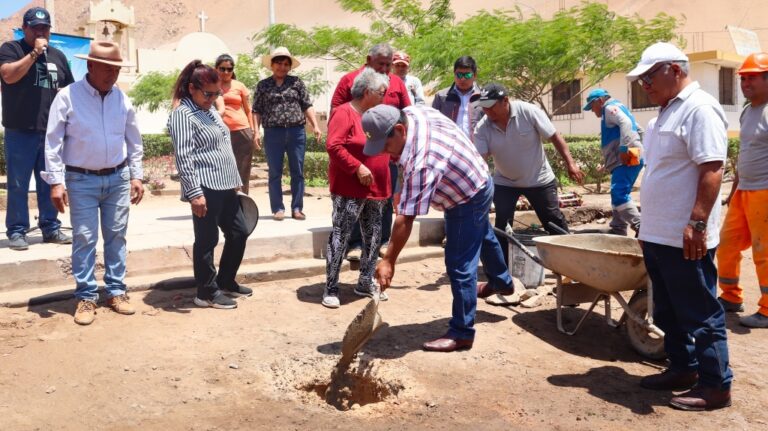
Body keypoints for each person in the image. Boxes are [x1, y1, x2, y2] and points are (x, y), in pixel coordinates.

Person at [627, 42, 733, 411]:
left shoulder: (700, 109)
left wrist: (697, 223)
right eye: (641, 79)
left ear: (674, 69)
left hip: (685, 235)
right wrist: (646, 229)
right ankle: (683, 368)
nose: (645, 85)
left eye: (649, 77)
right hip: (659, 233)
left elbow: (712, 169)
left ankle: (716, 385)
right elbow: (659, 174)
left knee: (700, 312)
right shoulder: (661, 117)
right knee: (669, 309)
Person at [362, 104, 515, 352]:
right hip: (476, 176)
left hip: (466, 195)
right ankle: (502, 281)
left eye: (386, 146)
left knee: (459, 264)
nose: (385, 155)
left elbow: (405, 218)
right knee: (481, 233)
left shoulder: (423, 161)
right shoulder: (413, 112)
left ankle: (462, 332)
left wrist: (389, 259)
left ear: (399, 130)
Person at [41, 41, 142, 325]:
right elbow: (53, 143)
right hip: (81, 179)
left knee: (116, 236)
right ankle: (86, 297)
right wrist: (56, 182)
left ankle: (116, 291)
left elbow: (134, 141)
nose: (112, 74)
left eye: (116, 69)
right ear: (90, 66)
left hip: (118, 178)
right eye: (107, 68)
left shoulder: (122, 99)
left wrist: (137, 175)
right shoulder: (67, 97)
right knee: (84, 238)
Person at [168, 60, 252, 310]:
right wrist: (194, 193)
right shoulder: (183, 115)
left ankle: (226, 281)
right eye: (208, 93)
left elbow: (224, 147)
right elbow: (184, 156)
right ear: (192, 88)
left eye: (217, 94)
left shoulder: (211, 112)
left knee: (239, 232)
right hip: (205, 187)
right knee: (207, 240)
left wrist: (236, 180)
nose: (212, 98)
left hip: (226, 185)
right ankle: (205, 292)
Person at [473, 83, 584, 265]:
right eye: (484, 107)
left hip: (539, 179)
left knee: (552, 221)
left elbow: (555, 137)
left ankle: (571, 263)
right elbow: (481, 161)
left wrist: (570, 164)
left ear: (505, 101)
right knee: (502, 224)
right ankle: (503, 269)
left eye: (491, 106)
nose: (487, 112)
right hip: (505, 182)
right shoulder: (482, 128)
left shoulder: (528, 111)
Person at [0, 6, 73, 251]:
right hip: (19, 129)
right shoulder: (11, 49)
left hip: (51, 132)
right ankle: (17, 231)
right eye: (36, 28)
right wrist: (33, 54)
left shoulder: (59, 56)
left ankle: (51, 227)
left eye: (45, 28)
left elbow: (68, 90)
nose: (41, 32)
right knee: (18, 184)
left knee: (50, 181)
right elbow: (8, 76)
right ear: (25, 29)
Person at [330, 43, 410, 260]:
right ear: (368, 59)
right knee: (355, 202)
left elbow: (407, 113)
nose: (385, 68)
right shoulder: (350, 80)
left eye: (388, 64)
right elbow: (336, 112)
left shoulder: (396, 83)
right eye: (380, 64)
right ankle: (355, 244)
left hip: (386, 153)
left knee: (383, 200)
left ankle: (382, 241)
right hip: (359, 152)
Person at [322, 69, 392, 308]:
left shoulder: (378, 114)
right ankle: (331, 286)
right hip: (349, 187)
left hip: (377, 187)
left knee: (373, 235)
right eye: (382, 92)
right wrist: (357, 168)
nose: (386, 96)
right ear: (367, 92)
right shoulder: (344, 113)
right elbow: (333, 146)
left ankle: (364, 280)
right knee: (341, 234)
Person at [717, 52, 768, 329]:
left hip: (765, 192)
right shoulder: (748, 110)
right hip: (744, 191)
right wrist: (733, 189)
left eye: (752, 78)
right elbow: (746, 153)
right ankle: (731, 297)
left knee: (764, 252)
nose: (745, 83)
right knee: (726, 245)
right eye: (743, 79)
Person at [252, 47, 321, 221]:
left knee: (297, 170)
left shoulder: (296, 83)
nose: (282, 67)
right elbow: (256, 110)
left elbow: (307, 105)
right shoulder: (263, 85)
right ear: (272, 65)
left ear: (289, 67)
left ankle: (297, 208)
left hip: (296, 131)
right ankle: (277, 208)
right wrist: (256, 132)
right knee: (274, 171)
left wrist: (315, 125)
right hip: (273, 132)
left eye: (285, 64)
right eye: (278, 63)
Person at [583, 88, 644, 236]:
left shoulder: (609, 108)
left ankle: (641, 227)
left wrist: (624, 149)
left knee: (619, 192)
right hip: (631, 155)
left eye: (592, 106)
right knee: (619, 192)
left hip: (627, 154)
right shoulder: (619, 107)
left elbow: (627, 124)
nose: (592, 110)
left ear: (600, 100)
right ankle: (618, 227)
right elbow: (639, 130)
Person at [214, 54, 259, 194]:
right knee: (221, 167)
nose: (226, 72)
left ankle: (242, 202)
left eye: (229, 69)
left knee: (243, 169)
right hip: (219, 132)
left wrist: (253, 131)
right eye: (222, 69)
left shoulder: (240, 86)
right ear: (216, 69)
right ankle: (224, 202)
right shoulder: (211, 85)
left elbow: (248, 110)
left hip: (242, 131)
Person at [432, 56, 483, 139]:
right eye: (459, 75)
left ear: (475, 75)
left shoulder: (483, 97)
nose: (462, 79)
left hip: (476, 147)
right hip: (449, 146)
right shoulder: (442, 96)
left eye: (467, 75)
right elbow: (433, 123)